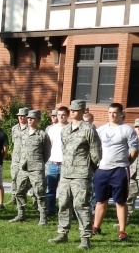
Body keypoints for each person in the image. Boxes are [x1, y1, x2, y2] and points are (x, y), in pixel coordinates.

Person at [48, 100, 100, 250]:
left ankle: (85, 238)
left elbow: (96, 152)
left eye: (76, 110)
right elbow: (64, 150)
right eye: (71, 110)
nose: (72, 112)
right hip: (66, 173)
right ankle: (62, 233)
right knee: (63, 203)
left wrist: (89, 168)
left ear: (83, 111)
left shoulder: (88, 129)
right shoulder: (65, 130)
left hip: (82, 174)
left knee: (81, 205)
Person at [92, 103, 138, 242]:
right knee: (100, 200)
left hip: (120, 170)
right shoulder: (101, 130)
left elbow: (134, 151)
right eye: (110, 112)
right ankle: (96, 227)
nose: (112, 115)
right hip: (102, 170)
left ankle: (122, 231)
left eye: (115, 113)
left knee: (120, 201)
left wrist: (125, 163)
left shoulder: (127, 130)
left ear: (121, 114)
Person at [9, 110, 50, 225]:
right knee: (19, 191)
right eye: (28, 118)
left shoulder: (42, 135)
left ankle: (43, 217)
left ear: (38, 120)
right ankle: (21, 214)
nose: (29, 120)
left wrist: (37, 162)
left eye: (32, 118)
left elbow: (47, 153)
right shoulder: (23, 134)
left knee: (40, 193)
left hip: (36, 168)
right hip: (23, 167)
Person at [46, 106, 69, 216]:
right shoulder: (52, 129)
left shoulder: (71, 128)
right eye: (59, 115)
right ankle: (51, 210)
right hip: (53, 163)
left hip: (66, 164)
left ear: (67, 115)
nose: (61, 117)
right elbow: (49, 145)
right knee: (51, 190)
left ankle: (65, 211)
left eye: (63, 115)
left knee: (66, 191)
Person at [8, 107, 29, 205]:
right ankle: (13, 196)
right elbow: (13, 141)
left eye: (23, 116)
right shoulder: (14, 128)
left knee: (28, 180)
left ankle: (33, 199)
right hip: (16, 158)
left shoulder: (30, 129)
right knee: (14, 177)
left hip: (26, 159)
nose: (20, 117)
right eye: (19, 116)